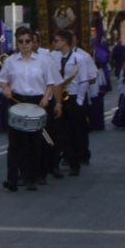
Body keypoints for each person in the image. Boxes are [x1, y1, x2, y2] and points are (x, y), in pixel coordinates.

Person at [0, 28, 60, 193]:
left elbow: (50, 83)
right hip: (17, 100)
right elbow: (2, 80)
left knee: (34, 142)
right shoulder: (10, 61)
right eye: (21, 41)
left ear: (33, 43)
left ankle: (31, 178)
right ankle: (12, 179)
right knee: (15, 143)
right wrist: (5, 89)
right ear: (17, 43)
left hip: (36, 101)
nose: (24, 44)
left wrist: (46, 98)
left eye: (27, 41)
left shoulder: (43, 61)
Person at [52, 28, 99, 176]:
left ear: (65, 42)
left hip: (73, 97)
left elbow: (84, 80)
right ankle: (64, 157)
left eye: (57, 40)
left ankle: (75, 163)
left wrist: (79, 100)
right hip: (60, 97)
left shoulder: (80, 58)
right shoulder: (55, 57)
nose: (54, 43)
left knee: (75, 131)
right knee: (61, 131)